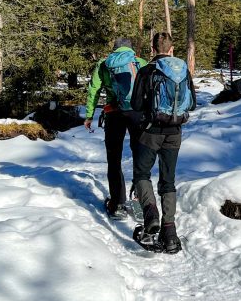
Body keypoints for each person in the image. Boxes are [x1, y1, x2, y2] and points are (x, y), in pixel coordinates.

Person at [130, 31, 196, 253]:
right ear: (171, 49)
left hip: (150, 132)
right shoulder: (183, 70)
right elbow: (193, 104)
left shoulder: (147, 70)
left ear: (153, 49)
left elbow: (136, 104)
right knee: (168, 181)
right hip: (175, 132)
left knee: (141, 174)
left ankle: (151, 216)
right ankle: (169, 232)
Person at [84, 37, 148, 218]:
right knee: (140, 156)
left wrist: (89, 115)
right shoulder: (140, 62)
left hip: (113, 113)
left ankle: (117, 204)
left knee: (114, 158)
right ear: (130, 49)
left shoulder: (104, 64)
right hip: (137, 113)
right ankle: (140, 201)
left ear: (114, 49)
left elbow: (94, 90)